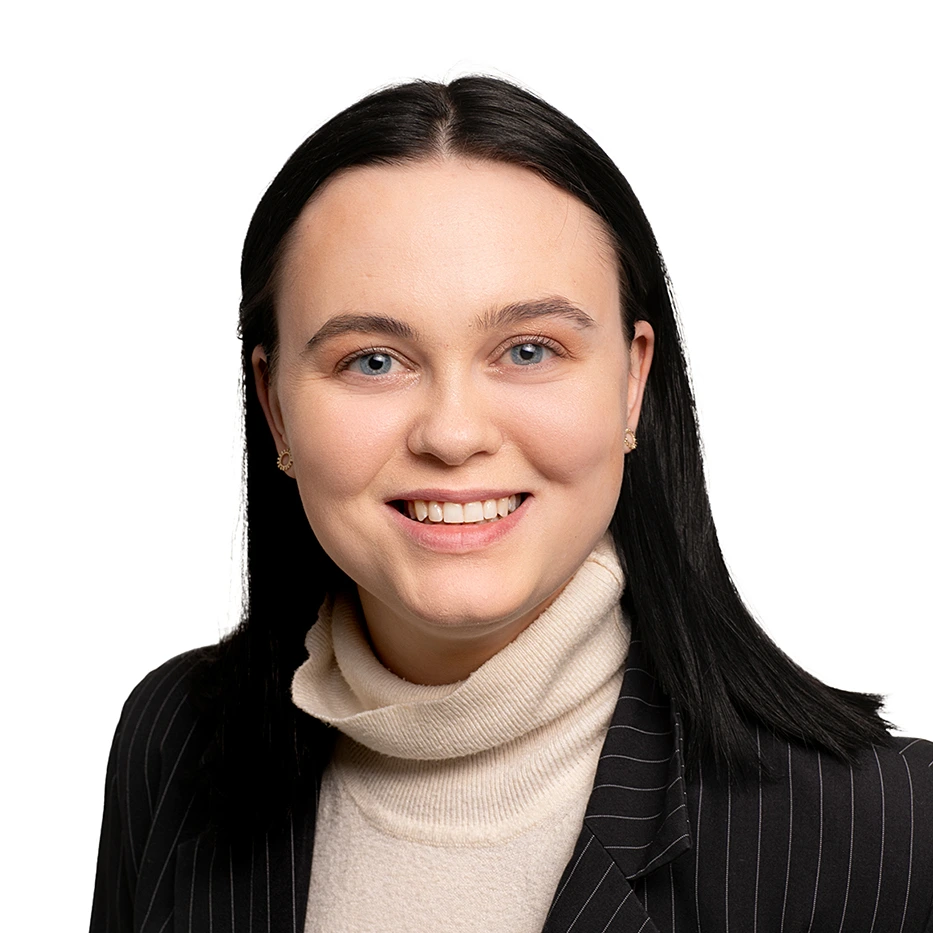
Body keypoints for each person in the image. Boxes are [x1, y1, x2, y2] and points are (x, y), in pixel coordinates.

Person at [89, 77, 933, 933]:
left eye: (528, 350)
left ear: (632, 381)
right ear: (274, 406)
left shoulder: (893, 832)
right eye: (372, 360)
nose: (453, 434)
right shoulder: (173, 739)